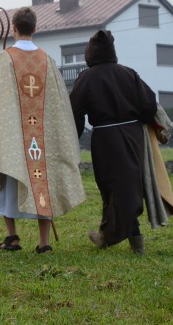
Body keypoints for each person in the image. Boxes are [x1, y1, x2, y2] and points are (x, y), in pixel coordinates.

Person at [0, 7, 85, 253]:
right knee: (44, 183)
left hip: (15, 137)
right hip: (42, 137)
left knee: (8, 181)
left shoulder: (4, 59)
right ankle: (44, 242)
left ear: (14, 28)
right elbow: (58, 104)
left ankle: (12, 236)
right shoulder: (48, 60)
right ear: (35, 29)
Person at [70, 29, 158, 254]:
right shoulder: (129, 74)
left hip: (106, 139)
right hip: (132, 136)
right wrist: (140, 121)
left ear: (91, 53)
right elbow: (149, 105)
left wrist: (73, 139)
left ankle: (109, 236)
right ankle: (124, 237)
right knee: (129, 186)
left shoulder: (86, 78)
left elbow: (75, 112)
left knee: (113, 188)